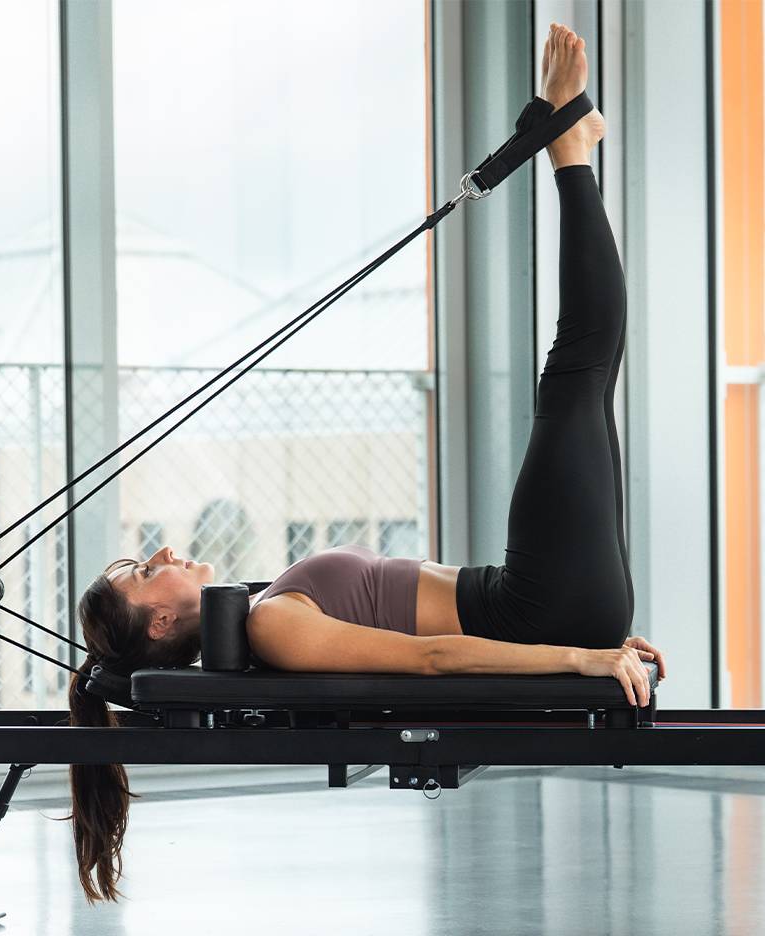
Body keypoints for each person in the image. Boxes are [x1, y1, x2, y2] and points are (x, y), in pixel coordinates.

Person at [65, 23, 667, 905]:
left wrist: (581, 644)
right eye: (139, 575)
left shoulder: (267, 607)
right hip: (541, 607)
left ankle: (571, 146)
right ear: (160, 626)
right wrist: (577, 658)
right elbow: (426, 666)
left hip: (549, 600)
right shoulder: (272, 628)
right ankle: (570, 149)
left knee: (585, 374)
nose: (155, 555)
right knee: (578, 369)